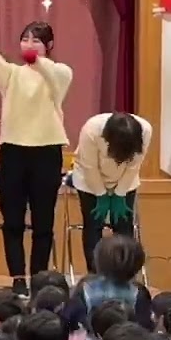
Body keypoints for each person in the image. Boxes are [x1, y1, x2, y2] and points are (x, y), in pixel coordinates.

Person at [0, 23, 73, 297]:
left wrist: (37, 60)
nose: (29, 44)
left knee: (43, 221)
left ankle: (39, 276)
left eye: (36, 40)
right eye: (25, 39)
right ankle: (17, 276)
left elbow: (53, 75)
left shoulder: (59, 72)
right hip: (13, 150)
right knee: (12, 219)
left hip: (46, 150)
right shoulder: (13, 74)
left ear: (49, 45)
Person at [70, 112, 151, 270]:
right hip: (90, 181)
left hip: (125, 181)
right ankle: (96, 275)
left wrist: (120, 194)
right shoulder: (91, 130)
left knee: (123, 227)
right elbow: (89, 167)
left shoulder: (145, 130)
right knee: (93, 226)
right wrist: (101, 195)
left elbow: (134, 165)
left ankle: (125, 273)